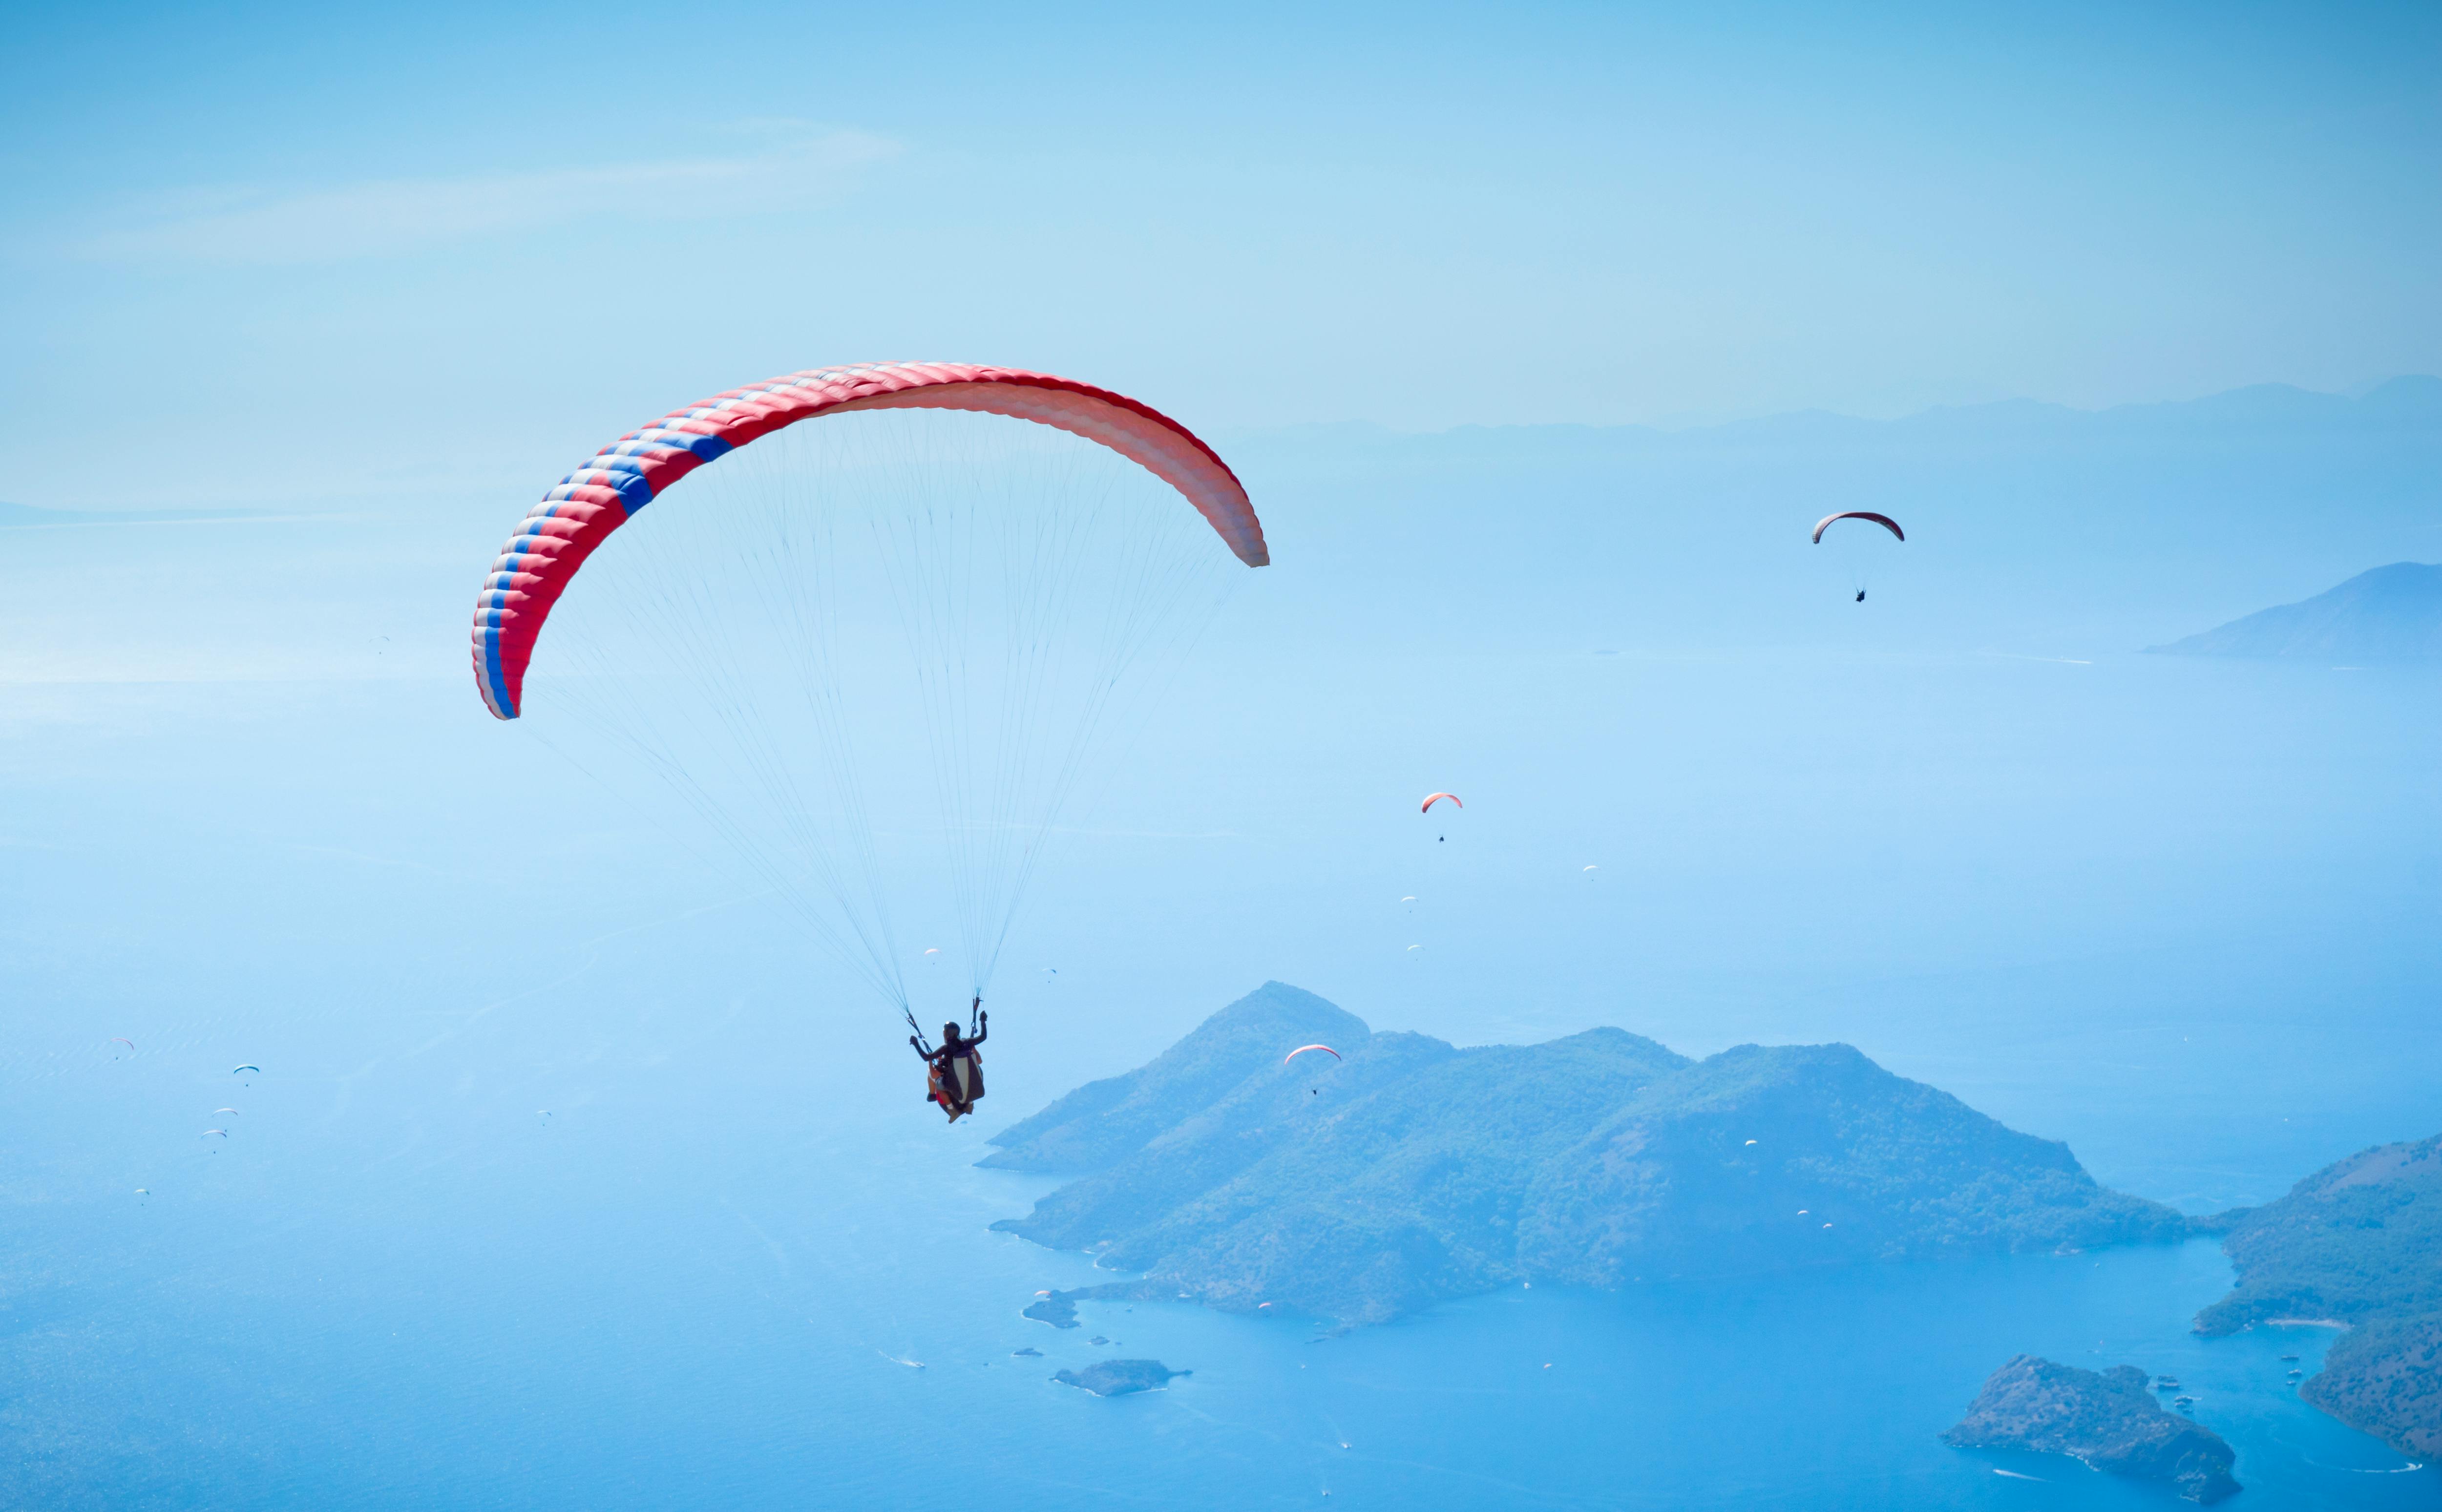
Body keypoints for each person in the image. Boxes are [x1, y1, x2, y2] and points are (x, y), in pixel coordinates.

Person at [911, 1003, 988, 1122]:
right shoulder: (967, 1043)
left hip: (956, 1080)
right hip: (975, 1079)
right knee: (968, 1078)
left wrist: (916, 1044)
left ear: (946, 1034)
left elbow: (927, 1057)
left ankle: (952, 1110)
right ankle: (969, 1104)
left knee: (939, 1086)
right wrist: (983, 1021)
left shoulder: (946, 1048)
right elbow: (983, 1037)